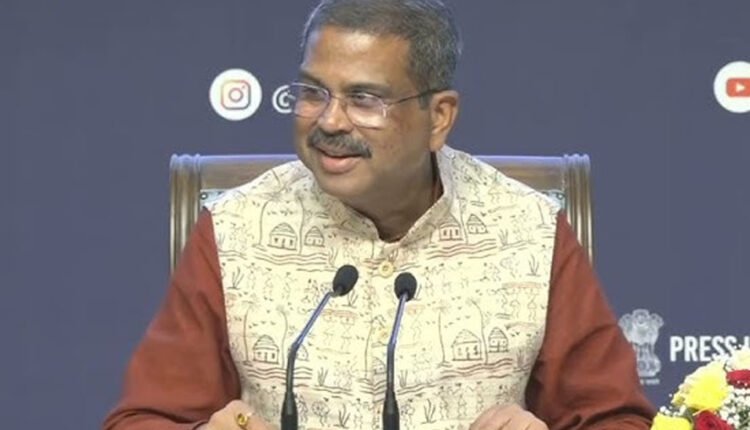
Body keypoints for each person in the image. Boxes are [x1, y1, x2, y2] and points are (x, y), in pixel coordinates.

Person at [104, 0, 655, 429]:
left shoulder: (528, 229)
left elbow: (616, 419)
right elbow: (145, 418)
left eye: (364, 99)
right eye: (313, 93)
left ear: (439, 117)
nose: (330, 121)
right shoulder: (235, 229)